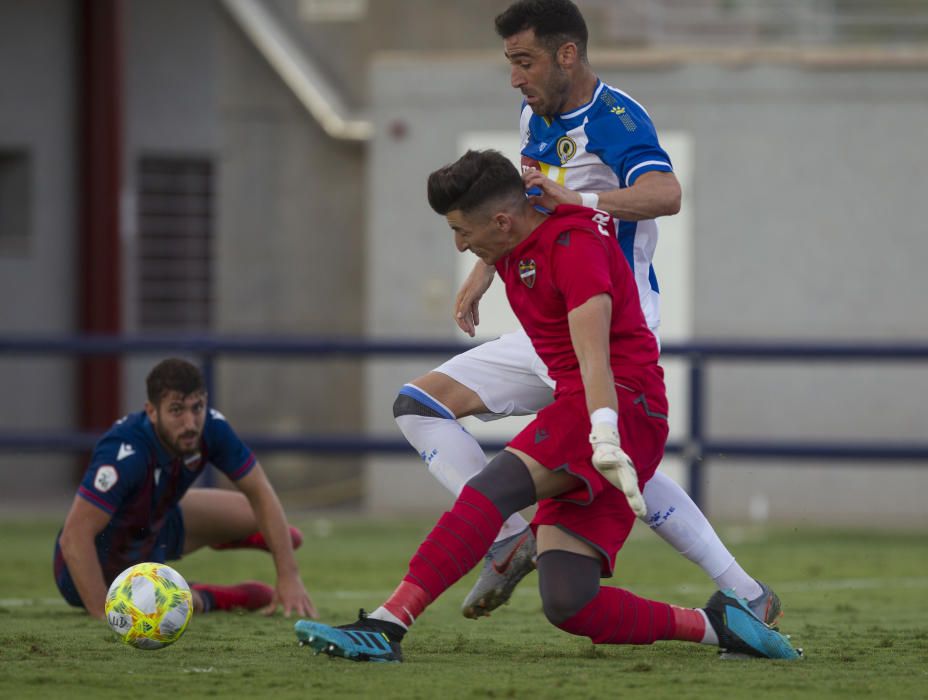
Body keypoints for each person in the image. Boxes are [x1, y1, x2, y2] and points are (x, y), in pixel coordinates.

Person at [295, 150, 800, 662]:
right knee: (569, 602)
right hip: (592, 403)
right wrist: (484, 269)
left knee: (492, 490)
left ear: (501, 221)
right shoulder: (519, 232)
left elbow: (594, 359)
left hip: (619, 402)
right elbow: (524, 215)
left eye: (461, 230)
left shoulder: (573, 245)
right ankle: (721, 626)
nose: (460, 243)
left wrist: (604, 435)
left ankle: (386, 625)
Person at [392, 0, 781, 624]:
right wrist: (483, 268)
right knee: (420, 405)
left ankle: (743, 589)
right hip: (550, 327)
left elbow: (666, 193)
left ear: (566, 55)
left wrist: (583, 197)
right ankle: (511, 538)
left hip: (610, 326)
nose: (515, 77)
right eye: (510, 63)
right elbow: (520, 210)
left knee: (616, 461)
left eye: (525, 62)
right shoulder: (533, 117)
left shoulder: (617, 118)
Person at [54, 358, 318, 620]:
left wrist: (288, 575)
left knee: (264, 518)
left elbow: (261, 491)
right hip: (102, 565)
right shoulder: (124, 452)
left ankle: (227, 535)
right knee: (167, 610)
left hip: (157, 526)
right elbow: (74, 537)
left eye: (197, 407)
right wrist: (104, 611)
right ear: (152, 412)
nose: (190, 423)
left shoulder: (211, 428)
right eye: (177, 410)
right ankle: (212, 595)